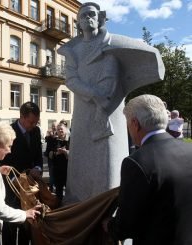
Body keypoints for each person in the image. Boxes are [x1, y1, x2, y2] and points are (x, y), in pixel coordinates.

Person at [57, 2, 164, 202]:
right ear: (79, 23)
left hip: (110, 110)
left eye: (92, 14)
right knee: (80, 158)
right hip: (83, 111)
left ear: (100, 18)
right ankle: (78, 202)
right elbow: (71, 80)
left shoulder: (112, 45)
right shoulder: (73, 49)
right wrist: (95, 94)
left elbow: (114, 82)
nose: (88, 18)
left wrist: (103, 97)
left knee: (108, 160)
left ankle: (107, 204)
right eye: (83, 16)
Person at [102, 94, 192, 245]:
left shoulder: (136, 162)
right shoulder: (189, 150)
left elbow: (126, 226)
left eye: (128, 125)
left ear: (135, 124)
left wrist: (109, 225)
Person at [0, 101, 43, 245]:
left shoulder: (36, 132)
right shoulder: (8, 132)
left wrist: (38, 168)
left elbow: (38, 156)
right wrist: (13, 179)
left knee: (28, 224)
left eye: (36, 122)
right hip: (11, 188)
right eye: (31, 122)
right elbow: (2, 161)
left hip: (29, 188)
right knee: (11, 226)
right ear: (22, 117)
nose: (33, 126)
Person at [48, 123, 70, 200]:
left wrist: (66, 152)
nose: (60, 130)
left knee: (70, 190)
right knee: (58, 190)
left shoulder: (70, 140)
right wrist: (56, 153)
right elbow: (49, 154)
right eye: (58, 129)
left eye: (61, 129)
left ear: (66, 130)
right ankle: (59, 205)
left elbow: (75, 154)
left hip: (68, 170)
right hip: (57, 169)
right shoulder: (54, 140)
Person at [44, 122, 58, 191]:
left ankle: (54, 186)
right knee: (51, 172)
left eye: (55, 126)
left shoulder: (58, 135)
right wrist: (49, 135)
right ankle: (51, 187)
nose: (54, 127)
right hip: (50, 157)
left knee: (55, 172)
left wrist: (54, 137)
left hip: (57, 157)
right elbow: (46, 139)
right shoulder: (49, 135)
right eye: (53, 126)